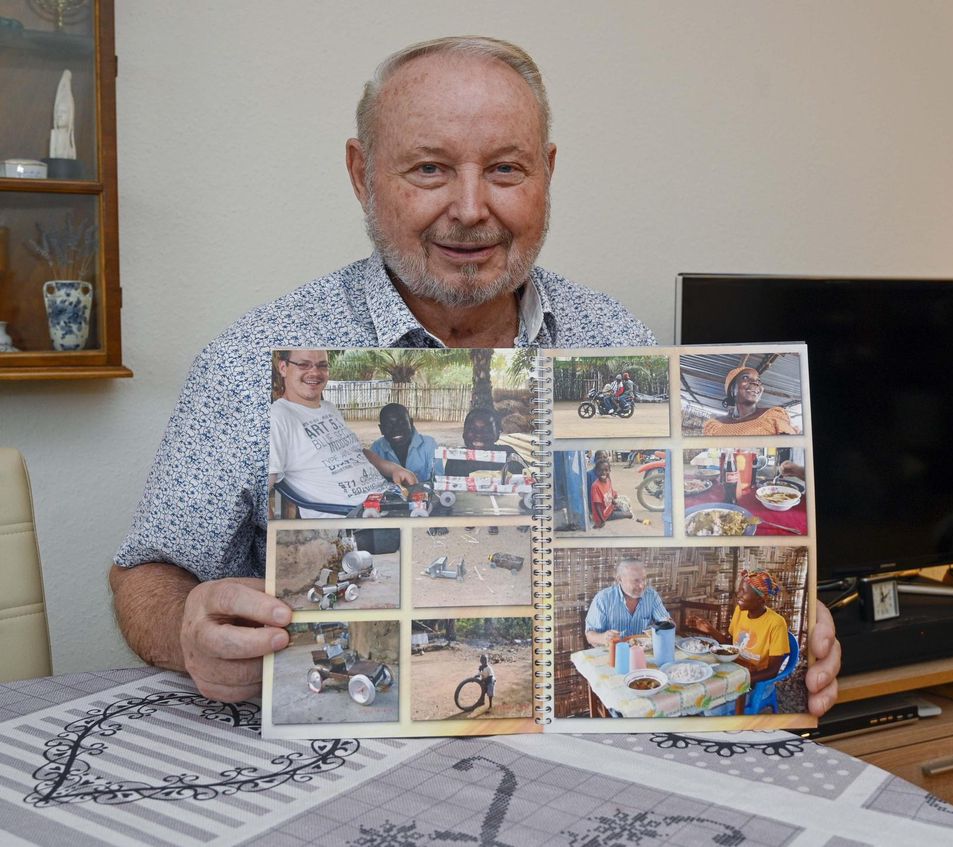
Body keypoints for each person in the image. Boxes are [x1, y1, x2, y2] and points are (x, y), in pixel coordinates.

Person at [109, 36, 840, 714]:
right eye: (429, 168)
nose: (469, 208)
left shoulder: (615, 339)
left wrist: (794, 622)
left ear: (546, 174)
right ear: (362, 174)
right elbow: (145, 573)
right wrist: (188, 631)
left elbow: (686, 525)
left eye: (504, 169)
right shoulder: (255, 357)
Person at [269, 349, 417, 517]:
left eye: (322, 365)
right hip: (352, 521)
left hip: (386, 502)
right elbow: (260, 489)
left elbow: (355, 452)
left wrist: (393, 468)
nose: (315, 372)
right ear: (283, 368)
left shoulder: (329, 409)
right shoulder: (277, 417)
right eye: (303, 365)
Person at [687, 569, 790, 685]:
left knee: (712, 686)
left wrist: (741, 681)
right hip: (735, 665)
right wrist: (711, 630)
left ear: (760, 599)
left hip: (755, 677)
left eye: (743, 591)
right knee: (697, 674)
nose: (738, 595)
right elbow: (732, 645)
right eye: (739, 590)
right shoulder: (740, 611)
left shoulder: (776, 623)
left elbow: (772, 671)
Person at [585, 559, 671, 647]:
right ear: (620, 579)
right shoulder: (603, 599)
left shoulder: (651, 595)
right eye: (636, 581)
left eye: (644, 579)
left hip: (643, 652)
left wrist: (668, 624)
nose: (642, 585)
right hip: (613, 653)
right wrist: (603, 637)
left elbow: (665, 620)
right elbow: (590, 635)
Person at [703, 366, 797, 436]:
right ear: (732, 389)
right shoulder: (715, 426)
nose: (756, 382)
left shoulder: (773, 417)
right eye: (745, 377)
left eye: (758, 380)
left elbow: (792, 449)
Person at [370, 402, 438, 484]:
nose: (396, 429)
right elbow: (372, 482)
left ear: (411, 423)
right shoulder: (377, 449)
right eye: (389, 425)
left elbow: (438, 481)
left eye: (402, 423)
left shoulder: (429, 445)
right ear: (381, 429)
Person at [589, 457, 632, 529]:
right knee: (629, 514)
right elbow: (597, 506)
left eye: (606, 470)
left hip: (610, 508)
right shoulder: (595, 486)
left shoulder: (608, 480)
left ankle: (619, 510)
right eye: (600, 470)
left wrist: (614, 502)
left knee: (625, 503)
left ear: (609, 470)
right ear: (596, 471)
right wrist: (602, 521)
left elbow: (610, 494)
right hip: (605, 515)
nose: (603, 473)